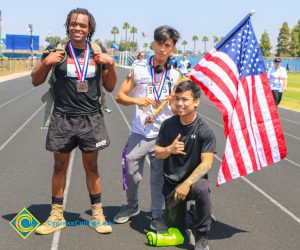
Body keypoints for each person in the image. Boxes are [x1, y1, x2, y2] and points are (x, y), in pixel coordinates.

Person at [31, 8, 117, 235]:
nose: (78, 28)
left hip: (91, 118)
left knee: (92, 166)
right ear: (67, 26)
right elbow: (35, 81)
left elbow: (109, 87)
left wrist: (111, 65)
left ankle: (97, 214)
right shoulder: (55, 51)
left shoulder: (98, 52)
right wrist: (46, 62)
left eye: (83, 25)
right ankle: (56, 215)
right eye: (73, 24)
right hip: (62, 118)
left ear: (90, 29)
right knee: (59, 166)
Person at [114, 25, 181, 232]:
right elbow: (120, 96)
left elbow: (184, 107)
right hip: (140, 132)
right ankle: (132, 205)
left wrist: (174, 102)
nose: (162, 49)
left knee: (157, 177)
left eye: (167, 45)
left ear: (172, 49)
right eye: (160, 43)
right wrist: (138, 100)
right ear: (153, 43)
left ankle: (157, 214)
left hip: (164, 135)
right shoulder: (139, 69)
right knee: (131, 169)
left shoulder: (176, 75)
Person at [155, 80, 216, 250]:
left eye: (185, 99)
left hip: (192, 182)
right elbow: (157, 152)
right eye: (177, 99)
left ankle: (202, 236)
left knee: (202, 188)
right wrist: (170, 149)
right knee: (178, 232)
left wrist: (187, 184)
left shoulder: (205, 129)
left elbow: (207, 163)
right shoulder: (168, 125)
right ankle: (190, 215)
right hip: (172, 184)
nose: (180, 104)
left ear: (196, 102)